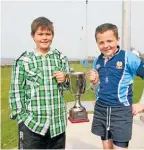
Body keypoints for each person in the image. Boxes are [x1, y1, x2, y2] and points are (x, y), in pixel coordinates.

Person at [9, 16, 70, 149]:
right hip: (32, 125)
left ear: (52, 35)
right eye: (40, 34)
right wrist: (22, 119)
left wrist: (65, 78)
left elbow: (70, 86)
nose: (44, 37)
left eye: (48, 34)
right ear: (33, 36)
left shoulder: (60, 58)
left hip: (57, 125)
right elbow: (16, 91)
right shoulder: (23, 60)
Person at [89, 23, 144, 149]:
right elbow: (97, 89)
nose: (105, 45)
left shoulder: (128, 57)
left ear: (117, 39)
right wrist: (94, 83)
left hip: (121, 112)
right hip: (101, 110)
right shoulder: (98, 61)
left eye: (109, 41)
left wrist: (142, 103)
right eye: (101, 42)